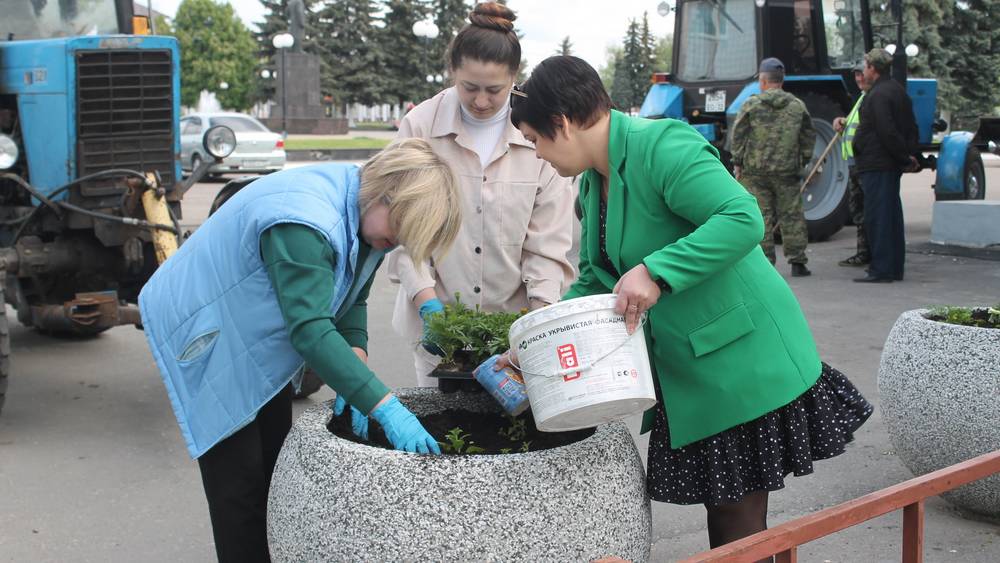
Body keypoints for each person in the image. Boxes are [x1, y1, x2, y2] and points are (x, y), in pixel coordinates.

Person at [499, 55, 872, 554]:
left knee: (736, 520)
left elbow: (742, 218)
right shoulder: (592, 182)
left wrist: (657, 271)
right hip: (691, 368)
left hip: (741, 358)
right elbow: (596, 276)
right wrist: (539, 340)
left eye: (535, 142)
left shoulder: (663, 146)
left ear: (561, 125)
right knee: (727, 518)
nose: (538, 155)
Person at [138, 139, 462, 562]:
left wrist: (356, 361)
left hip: (253, 327)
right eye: (399, 228)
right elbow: (309, 329)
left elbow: (351, 297)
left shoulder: (366, 211)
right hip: (208, 324)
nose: (396, 241)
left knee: (273, 467)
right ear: (385, 193)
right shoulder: (305, 222)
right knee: (238, 486)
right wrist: (384, 406)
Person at [387, 2, 574, 389]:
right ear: (452, 70)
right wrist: (428, 305)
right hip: (436, 327)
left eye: (495, 90)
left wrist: (536, 327)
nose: (482, 101)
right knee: (444, 433)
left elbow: (547, 247)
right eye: (469, 87)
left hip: (511, 330)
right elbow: (404, 230)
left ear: (514, 77)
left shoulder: (536, 134)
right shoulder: (420, 126)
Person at [731, 57, 816, 278]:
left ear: (763, 80)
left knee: (762, 216)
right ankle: (798, 262)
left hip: (755, 171)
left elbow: (738, 135)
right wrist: (803, 160)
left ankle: (766, 263)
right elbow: (808, 135)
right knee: (792, 215)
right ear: (782, 79)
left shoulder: (752, 104)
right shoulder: (797, 106)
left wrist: (737, 162)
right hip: (787, 171)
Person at [852, 48, 920, 283]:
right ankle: (893, 267)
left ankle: (881, 269)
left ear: (873, 68)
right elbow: (910, 127)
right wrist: (907, 156)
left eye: (866, 66)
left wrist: (903, 157)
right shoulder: (896, 91)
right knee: (890, 216)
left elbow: (886, 131)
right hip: (885, 163)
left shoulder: (880, 95)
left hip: (878, 164)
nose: (864, 70)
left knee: (878, 217)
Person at [833, 62, 872, 267]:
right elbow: (853, 122)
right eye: (856, 75)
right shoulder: (862, 98)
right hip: (854, 163)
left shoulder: (871, 98)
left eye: (861, 74)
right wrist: (842, 121)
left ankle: (868, 253)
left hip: (863, 163)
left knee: (866, 210)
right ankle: (863, 252)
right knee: (858, 209)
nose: (858, 79)